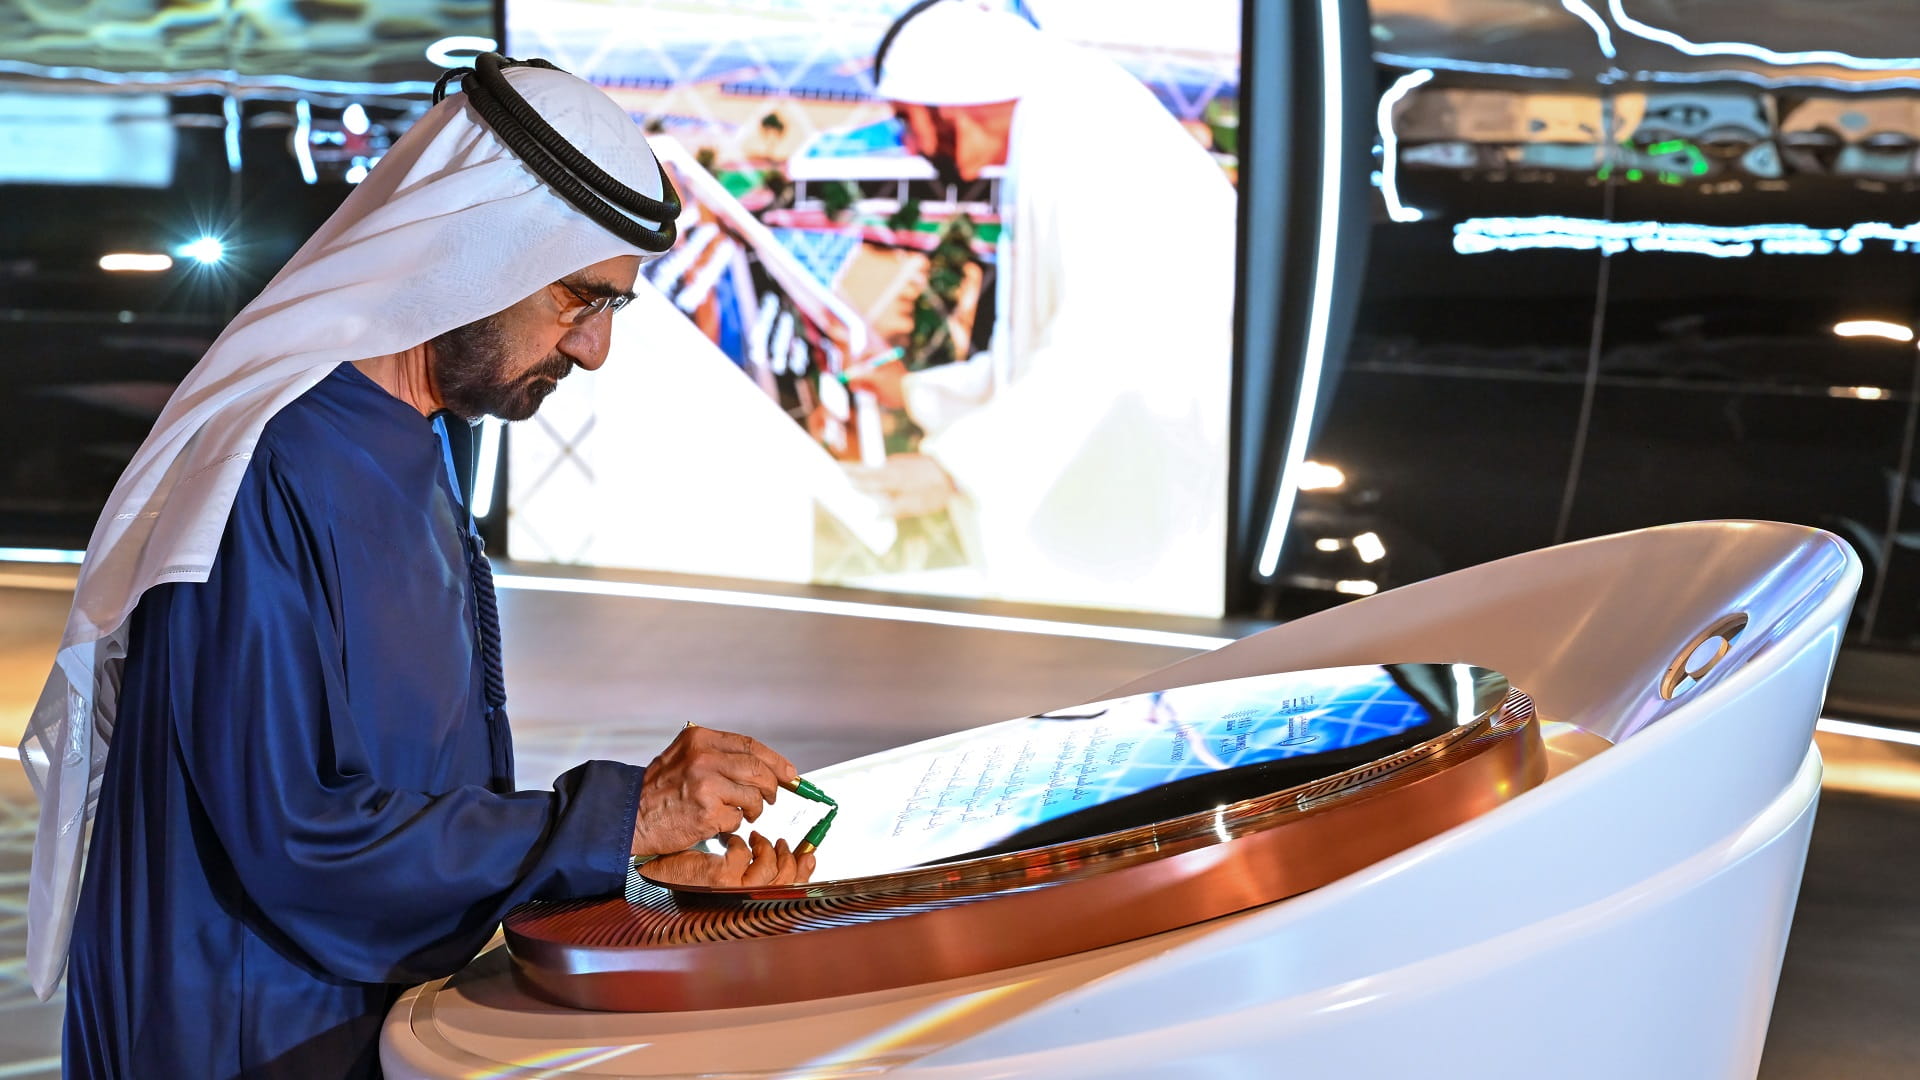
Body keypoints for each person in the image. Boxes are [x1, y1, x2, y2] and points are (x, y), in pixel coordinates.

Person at [20, 60, 813, 1077]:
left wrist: (644, 874)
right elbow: (298, 837)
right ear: (472, 248)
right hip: (246, 1032)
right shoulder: (266, 466)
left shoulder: (417, 435)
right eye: (580, 298)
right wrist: (625, 816)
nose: (594, 349)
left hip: (356, 1016)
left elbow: (423, 796)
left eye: (615, 309)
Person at [846, 0, 1237, 617]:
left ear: (942, 102)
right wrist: (913, 392)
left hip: (1138, 541)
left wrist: (950, 469)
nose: (909, 144)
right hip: (1122, 516)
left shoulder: (1090, 139)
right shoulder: (1069, 118)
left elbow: (1107, 346)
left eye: (904, 118)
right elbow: (1039, 352)